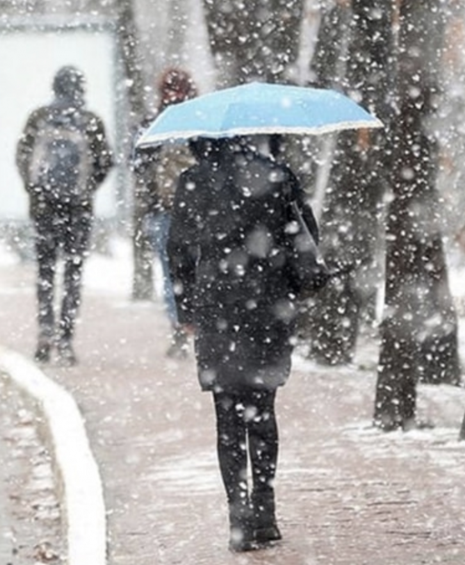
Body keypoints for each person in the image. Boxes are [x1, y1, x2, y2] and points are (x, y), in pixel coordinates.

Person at [167, 136, 318, 552]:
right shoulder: (277, 175)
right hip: (269, 306)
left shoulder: (192, 181)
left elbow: (177, 250)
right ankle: (266, 513)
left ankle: (239, 516)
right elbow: (306, 236)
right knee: (263, 410)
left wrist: (186, 312)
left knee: (227, 414)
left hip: (217, 307)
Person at [16, 66, 114, 366]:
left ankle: (45, 332)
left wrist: (36, 191)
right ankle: (66, 338)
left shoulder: (39, 118)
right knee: (73, 273)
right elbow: (105, 161)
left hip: (44, 209)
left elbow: (22, 157)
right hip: (77, 210)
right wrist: (85, 189)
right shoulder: (90, 121)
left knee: (45, 272)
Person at [133, 67, 197, 358]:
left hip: (163, 212)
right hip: (199, 213)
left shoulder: (152, 124)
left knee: (172, 274)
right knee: (200, 270)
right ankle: (200, 326)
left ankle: (179, 328)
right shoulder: (200, 123)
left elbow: (137, 164)